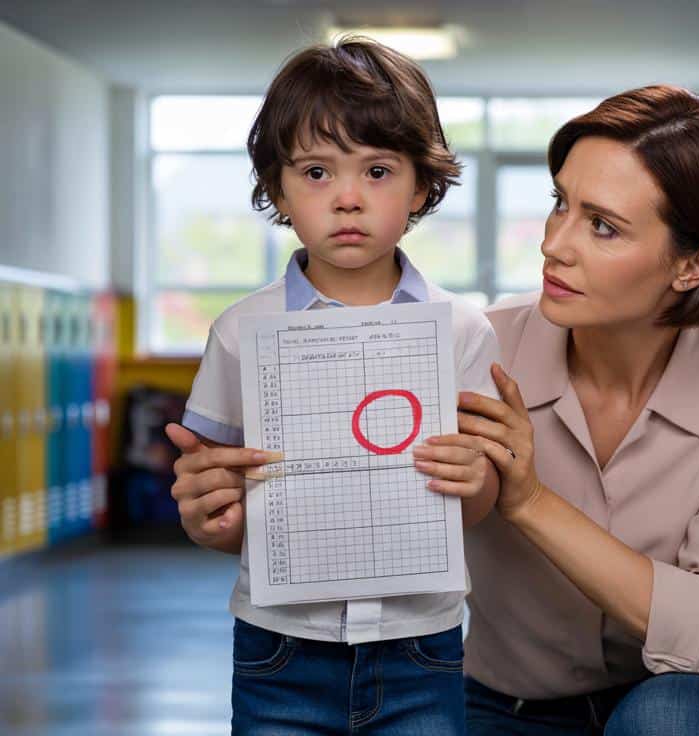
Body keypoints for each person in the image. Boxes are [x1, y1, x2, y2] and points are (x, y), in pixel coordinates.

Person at [414, 84, 699, 735]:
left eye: (602, 225)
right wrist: (243, 507)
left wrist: (529, 500)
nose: (555, 245)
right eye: (559, 205)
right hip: (500, 700)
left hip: (680, 695)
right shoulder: (477, 347)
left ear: (691, 266)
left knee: (669, 720)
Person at [163, 37, 500, 734]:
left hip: (422, 646)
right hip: (279, 649)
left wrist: (479, 481)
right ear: (278, 189)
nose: (347, 198)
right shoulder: (238, 332)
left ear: (422, 186)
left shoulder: (462, 333)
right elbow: (218, 504)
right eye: (316, 172)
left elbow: (479, 503)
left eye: (377, 170)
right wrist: (206, 520)